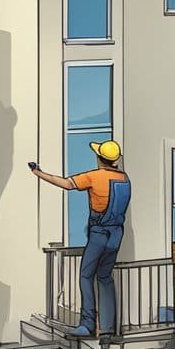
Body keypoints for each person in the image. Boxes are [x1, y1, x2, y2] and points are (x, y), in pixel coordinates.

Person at [30, 141, 131, 338]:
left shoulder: (95, 176)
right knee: (104, 278)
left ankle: (87, 324)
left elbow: (67, 184)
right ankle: (108, 329)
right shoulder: (125, 179)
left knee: (86, 275)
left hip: (99, 233)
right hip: (117, 233)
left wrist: (39, 173)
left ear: (99, 158)